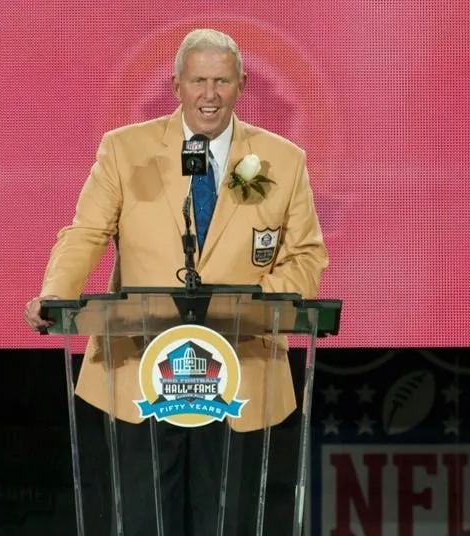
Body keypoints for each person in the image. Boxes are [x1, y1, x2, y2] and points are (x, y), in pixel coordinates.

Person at [24, 28, 327, 536]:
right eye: (198, 81)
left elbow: (306, 255)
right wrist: (57, 294)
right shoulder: (126, 150)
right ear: (176, 86)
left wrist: (257, 305)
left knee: (229, 523)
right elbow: (86, 233)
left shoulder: (282, 159)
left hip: (241, 370)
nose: (210, 95)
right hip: (140, 368)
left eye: (222, 81)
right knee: (144, 522)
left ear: (242, 85)